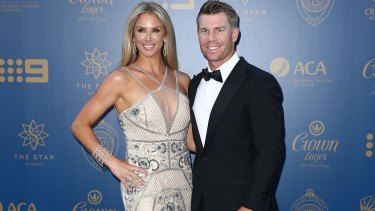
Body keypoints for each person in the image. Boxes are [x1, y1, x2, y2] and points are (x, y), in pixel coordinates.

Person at [71, 2, 195, 210]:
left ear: (165, 35)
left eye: (155, 30)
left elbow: (191, 142)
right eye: (141, 30)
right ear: (133, 35)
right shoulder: (120, 79)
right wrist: (112, 163)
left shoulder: (183, 80)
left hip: (184, 182)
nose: (148, 38)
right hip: (143, 184)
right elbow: (79, 125)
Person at [188, 1, 286, 211]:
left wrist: (251, 205)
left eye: (219, 30)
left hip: (243, 203)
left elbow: (271, 151)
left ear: (235, 34)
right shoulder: (195, 84)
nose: (210, 38)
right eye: (204, 31)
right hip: (201, 201)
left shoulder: (259, 82)